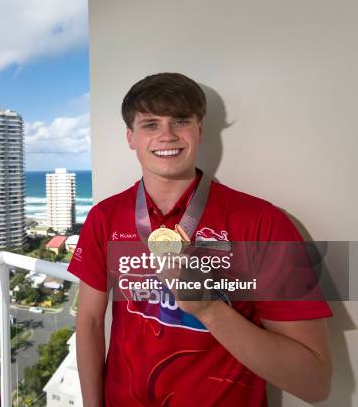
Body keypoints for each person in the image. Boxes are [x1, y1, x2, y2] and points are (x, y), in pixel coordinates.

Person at [69, 73, 332, 406]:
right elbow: (90, 320)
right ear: (130, 137)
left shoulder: (263, 223)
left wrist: (209, 309)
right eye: (150, 124)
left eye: (180, 121)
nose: (167, 135)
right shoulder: (104, 217)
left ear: (199, 131)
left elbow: (315, 382)